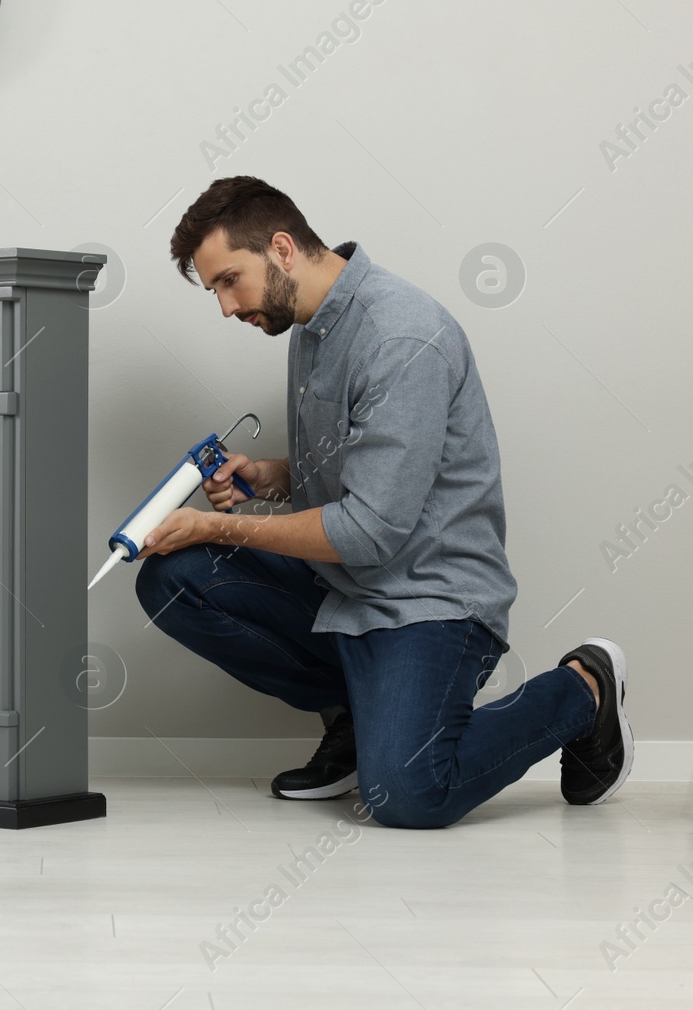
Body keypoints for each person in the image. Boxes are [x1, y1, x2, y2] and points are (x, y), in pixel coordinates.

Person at [133, 176, 631, 829]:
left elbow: (369, 531)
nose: (226, 306)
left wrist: (216, 524)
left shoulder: (399, 337)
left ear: (282, 248)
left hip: (429, 601)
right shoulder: (310, 324)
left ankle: (582, 688)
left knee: (408, 794)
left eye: (229, 280)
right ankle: (358, 714)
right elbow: (359, 470)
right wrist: (265, 476)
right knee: (173, 579)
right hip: (343, 592)